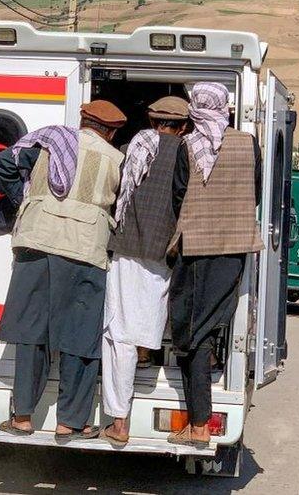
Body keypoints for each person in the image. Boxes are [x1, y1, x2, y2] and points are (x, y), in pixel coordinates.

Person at [0, 100, 126, 441]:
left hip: (35, 242)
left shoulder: (50, 143)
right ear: (111, 131)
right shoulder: (116, 159)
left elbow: (1, 162)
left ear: (82, 121)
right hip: (84, 250)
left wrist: (24, 200)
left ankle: (22, 416)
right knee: (80, 337)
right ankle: (70, 422)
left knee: (30, 333)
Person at [166, 82, 263, 449]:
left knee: (191, 332)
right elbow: (255, 189)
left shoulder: (187, 145)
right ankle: (198, 423)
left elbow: (177, 197)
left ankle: (200, 424)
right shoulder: (247, 143)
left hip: (196, 248)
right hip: (235, 248)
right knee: (206, 329)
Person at [100, 96, 190, 446]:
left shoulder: (132, 147)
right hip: (164, 253)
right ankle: (144, 353)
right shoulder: (190, 156)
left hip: (126, 249)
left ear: (153, 121)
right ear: (184, 126)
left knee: (118, 332)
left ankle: (119, 421)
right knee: (147, 323)